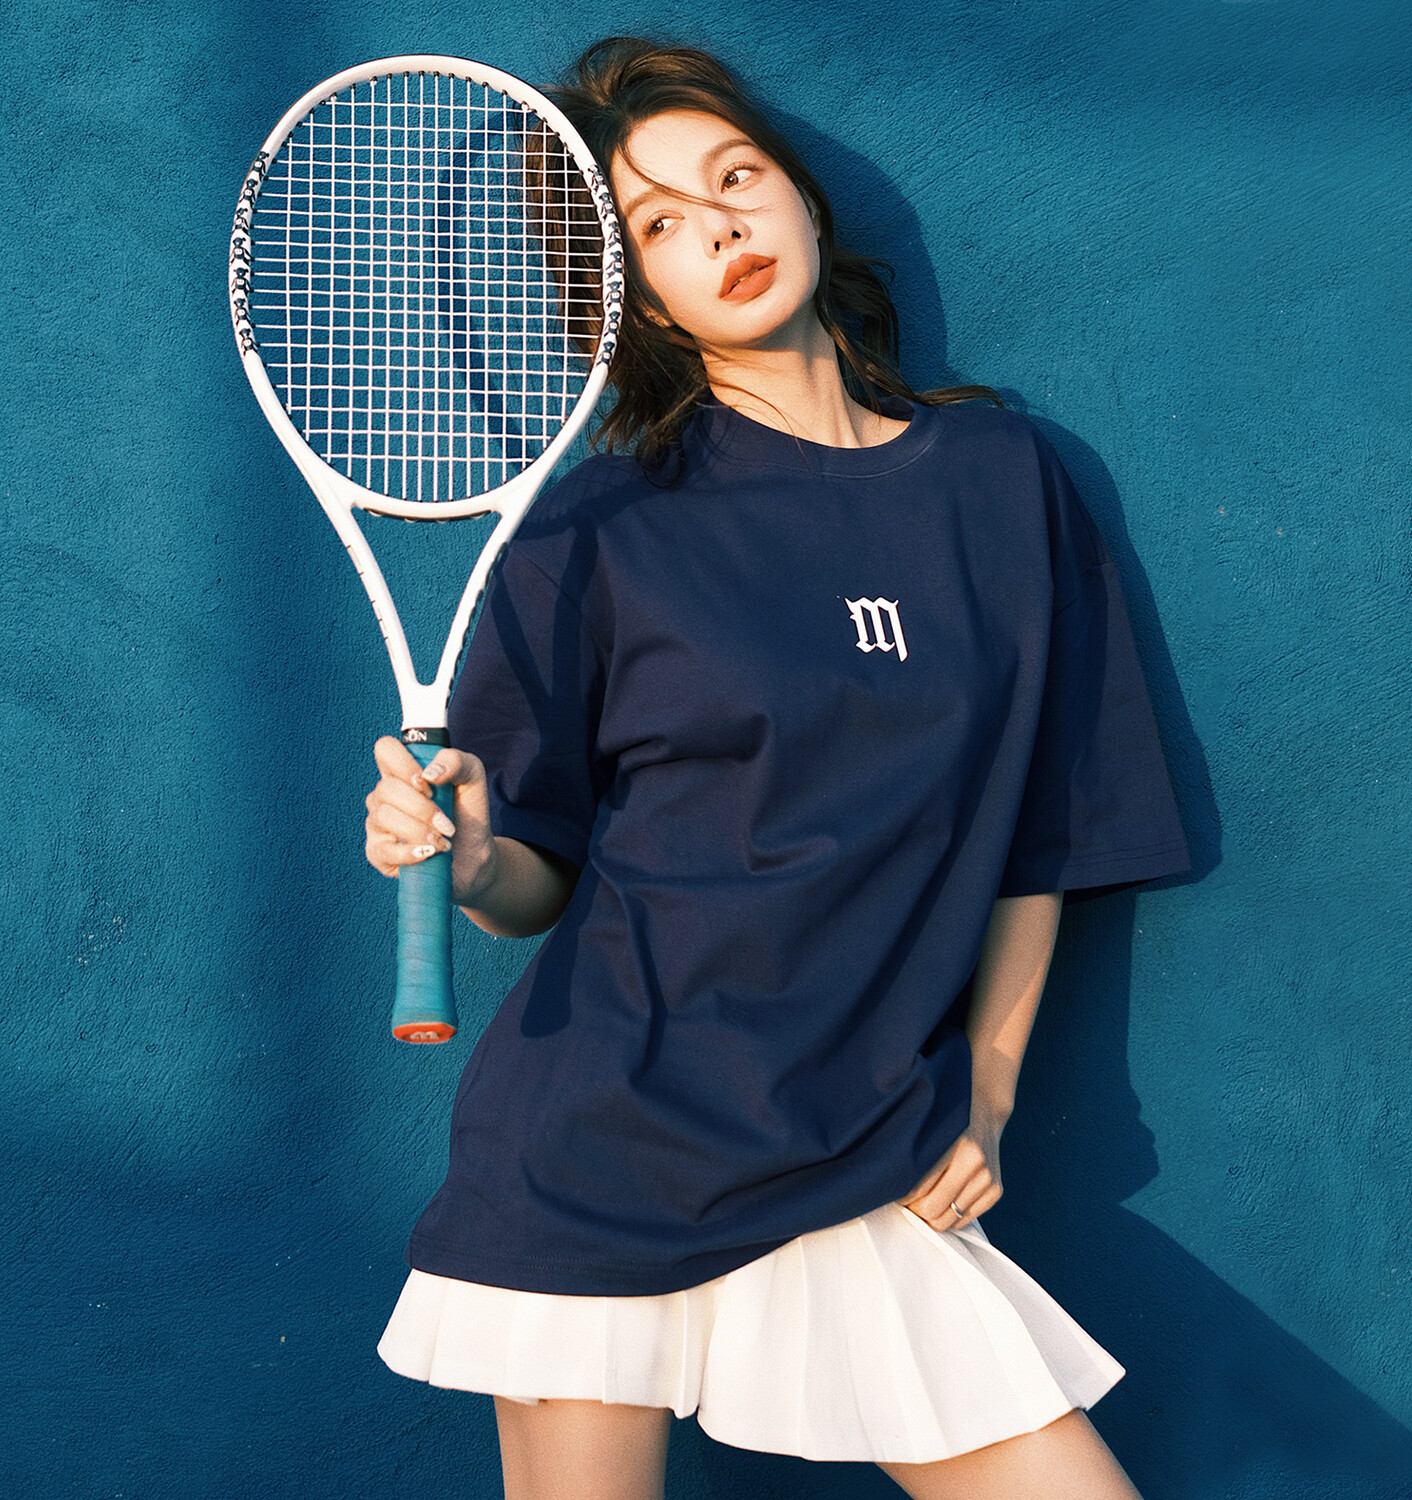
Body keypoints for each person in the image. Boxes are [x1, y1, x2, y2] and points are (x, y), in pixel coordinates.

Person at [364, 35, 1190, 1500]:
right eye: (656, 224)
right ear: (631, 295)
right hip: (599, 1148)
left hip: (863, 1142)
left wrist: (989, 1089)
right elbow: (527, 886)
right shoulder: (598, 531)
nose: (718, 228)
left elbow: (1045, 831)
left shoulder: (1006, 480)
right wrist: (473, 854)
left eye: (735, 178)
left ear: (800, 196)